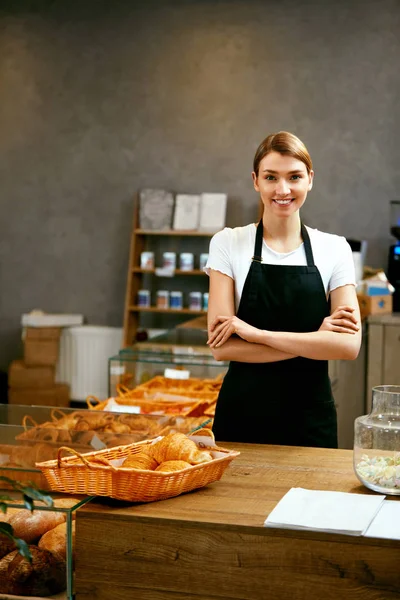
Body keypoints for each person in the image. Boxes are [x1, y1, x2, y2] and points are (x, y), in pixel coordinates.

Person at [205, 131, 361, 448]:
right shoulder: (228, 242)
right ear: (255, 181)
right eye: (271, 177)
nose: (283, 189)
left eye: (294, 177)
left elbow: (347, 347)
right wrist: (315, 339)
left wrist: (257, 334)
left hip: (311, 419)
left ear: (310, 179)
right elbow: (222, 348)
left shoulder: (335, 248)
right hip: (242, 416)